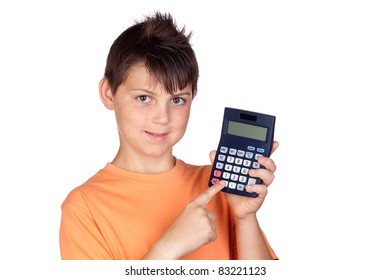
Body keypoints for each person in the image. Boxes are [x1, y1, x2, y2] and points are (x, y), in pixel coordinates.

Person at [59, 11, 279, 260]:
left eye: (177, 100)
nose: (162, 117)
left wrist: (245, 217)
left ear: (193, 97)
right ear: (109, 93)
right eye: (144, 98)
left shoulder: (218, 185)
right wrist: (167, 249)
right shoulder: (84, 206)